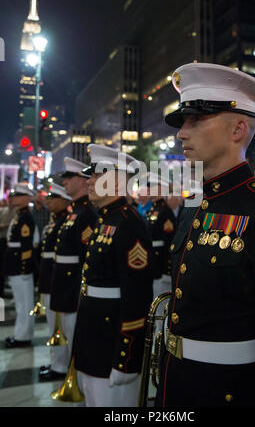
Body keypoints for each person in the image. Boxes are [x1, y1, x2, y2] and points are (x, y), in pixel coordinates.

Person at [155, 62, 255, 407]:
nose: (181, 133)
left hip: (233, 392)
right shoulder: (198, 205)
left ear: (237, 129)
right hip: (177, 382)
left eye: (195, 120)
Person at [73, 144, 153, 407]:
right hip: (93, 338)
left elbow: (137, 298)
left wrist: (126, 358)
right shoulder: (106, 220)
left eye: (97, 176)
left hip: (111, 347)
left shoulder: (129, 224)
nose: (90, 182)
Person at [48, 158, 98, 376]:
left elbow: (85, 257)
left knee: (73, 335)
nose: (65, 182)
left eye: (69, 178)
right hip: (64, 284)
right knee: (66, 332)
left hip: (73, 286)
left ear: (81, 180)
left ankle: (72, 377)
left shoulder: (86, 213)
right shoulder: (75, 211)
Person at [38, 183, 72, 381]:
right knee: (53, 324)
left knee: (59, 325)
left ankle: (60, 365)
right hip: (51, 276)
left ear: (62, 201)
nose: (49, 202)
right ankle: (56, 362)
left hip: (57, 278)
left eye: (53, 199)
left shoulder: (64, 222)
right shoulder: (56, 221)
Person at [3, 184, 38, 348]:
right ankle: (20, 334)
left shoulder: (26, 218)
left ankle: (23, 337)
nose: (14, 198)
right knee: (20, 303)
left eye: (18, 196)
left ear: (26, 199)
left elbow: (26, 247)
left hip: (20, 266)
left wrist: (24, 268)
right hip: (15, 264)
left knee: (24, 304)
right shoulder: (20, 216)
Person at [145, 173, 176, 298]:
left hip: (159, 264)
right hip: (152, 261)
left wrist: (167, 271)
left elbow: (169, 242)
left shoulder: (165, 211)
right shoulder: (153, 209)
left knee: (159, 301)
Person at [0, 193, 16, 297]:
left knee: (7, 266)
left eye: (12, 198)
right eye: (9, 198)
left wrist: (5, 225)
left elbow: (12, 226)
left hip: (10, 242)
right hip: (1, 241)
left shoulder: (17, 212)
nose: (10, 200)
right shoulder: (3, 211)